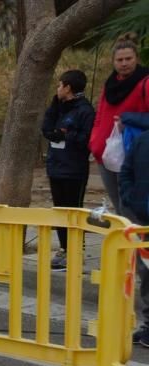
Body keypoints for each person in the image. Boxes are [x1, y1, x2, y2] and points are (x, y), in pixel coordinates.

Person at [88, 33, 148, 347]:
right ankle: (138, 312)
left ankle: (145, 315)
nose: (123, 64)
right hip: (109, 158)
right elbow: (100, 114)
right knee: (127, 227)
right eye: (119, 59)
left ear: (136, 59)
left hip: (138, 162)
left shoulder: (145, 83)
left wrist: (128, 118)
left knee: (137, 232)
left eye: (128, 59)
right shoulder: (109, 85)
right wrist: (95, 142)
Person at [42, 70, 95, 271]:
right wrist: (55, 106)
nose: (57, 89)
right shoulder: (58, 107)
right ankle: (64, 248)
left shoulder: (85, 111)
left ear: (68, 88)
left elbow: (86, 139)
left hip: (74, 170)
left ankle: (76, 251)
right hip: (55, 167)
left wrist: (67, 135)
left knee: (75, 211)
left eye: (60, 85)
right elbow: (47, 129)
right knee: (60, 210)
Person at [119, 110, 149, 347]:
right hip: (145, 217)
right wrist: (132, 199)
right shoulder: (143, 140)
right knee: (147, 272)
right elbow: (126, 172)